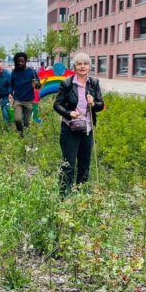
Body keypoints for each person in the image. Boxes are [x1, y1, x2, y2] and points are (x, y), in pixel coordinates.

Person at [53, 51, 104, 196]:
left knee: (84, 165)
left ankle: (80, 195)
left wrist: (93, 103)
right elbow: (57, 105)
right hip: (70, 129)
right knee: (68, 165)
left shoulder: (94, 83)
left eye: (85, 63)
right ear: (74, 66)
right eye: (79, 64)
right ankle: (63, 196)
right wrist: (69, 113)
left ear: (90, 66)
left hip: (87, 130)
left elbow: (100, 105)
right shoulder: (67, 83)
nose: (82, 66)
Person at [9, 52, 40, 136]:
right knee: (17, 119)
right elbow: (11, 85)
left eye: (22, 61)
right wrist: (10, 93)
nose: (20, 63)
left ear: (26, 61)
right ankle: (21, 133)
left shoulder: (32, 71)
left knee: (27, 122)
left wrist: (37, 84)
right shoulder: (14, 72)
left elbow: (38, 84)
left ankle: (26, 137)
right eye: (18, 61)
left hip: (29, 100)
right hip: (18, 100)